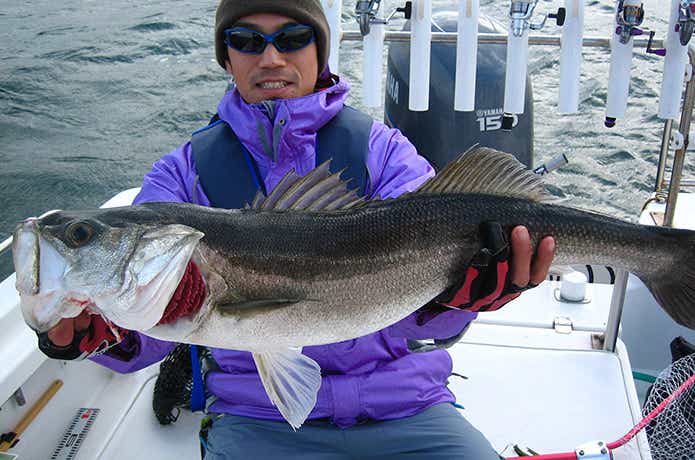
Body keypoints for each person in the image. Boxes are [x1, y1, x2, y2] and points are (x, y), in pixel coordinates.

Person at [41, 1, 555, 458]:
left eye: (292, 38)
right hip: (256, 418)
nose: (270, 58)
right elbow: (146, 336)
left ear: (321, 51)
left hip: (406, 403)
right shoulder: (180, 179)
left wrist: (456, 303)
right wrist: (95, 337)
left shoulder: (382, 153)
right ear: (226, 58)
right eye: (246, 41)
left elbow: (423, 318)